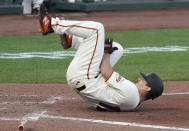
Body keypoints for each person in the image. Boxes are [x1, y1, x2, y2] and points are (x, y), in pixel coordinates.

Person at [39, 4, 164, 111]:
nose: (139, 78)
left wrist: (106, 53)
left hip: (83, 77)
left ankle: (52, 25)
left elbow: (105, 72)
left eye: (143, 79)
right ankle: (71, 40)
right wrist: (106, 51)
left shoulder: (132, 92)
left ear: (147, 88)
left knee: (97, 29)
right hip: (84, 84)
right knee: (118, 49)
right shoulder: (133, 103)